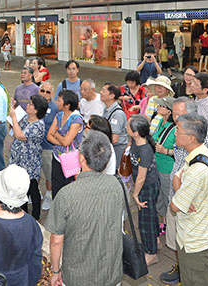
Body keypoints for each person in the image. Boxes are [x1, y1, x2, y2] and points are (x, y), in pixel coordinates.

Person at [160, 98, 208, 285]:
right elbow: (177, 176)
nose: (175, 130)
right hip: (201, 233)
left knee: (196, 278)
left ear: (191, 137)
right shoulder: (198, 153)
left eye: (179, 130)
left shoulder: (197, 169)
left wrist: (182, 196)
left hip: (195, 240)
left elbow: (175, 206)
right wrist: (183, 194)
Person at [46, 131, 124, 286]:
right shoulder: (118, 186)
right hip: (111, 273)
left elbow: (56, 241)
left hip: (77, 276)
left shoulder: (66, 195)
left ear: (81, 157)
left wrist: (55, 271)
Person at [127, 114, 161, 266]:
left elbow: (141, 177)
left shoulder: (145, 150)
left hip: (147, 186)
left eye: (128, 126)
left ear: (136, 132)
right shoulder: (136, 141)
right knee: (150, 215)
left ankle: (151, 253)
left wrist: (135, 194)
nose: (126, 127)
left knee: (145, 220)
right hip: (144, 185)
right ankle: (156, 241)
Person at [9, 95, 48, 220]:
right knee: (21, 187)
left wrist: (14, 117)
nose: (28, 105)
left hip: (30, 162)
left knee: (32, 188)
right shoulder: (27, 118)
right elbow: (15, 128)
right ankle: (23, 211)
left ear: (36, 110)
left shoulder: (38, 125)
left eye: (31, 104)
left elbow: (20, 135)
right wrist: (13, 110)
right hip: (19, 158)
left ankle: (36, 216)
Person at [47, 90, 85, 198]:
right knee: (56, 186)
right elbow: (49, 136)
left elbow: (66, 142)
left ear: (67, 105)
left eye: (59, 100)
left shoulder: (76, 120)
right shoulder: (59, 115)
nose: (57, 102)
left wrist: (56, 134)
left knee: (68, 188)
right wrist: (60, 140)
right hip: (57, 157)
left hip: (70, 160)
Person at [150, 95, 176, 238]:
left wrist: (165, 151)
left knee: (167, 195)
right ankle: (164, 221)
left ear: (169, 111)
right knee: (159, 196)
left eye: (161, 106)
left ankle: (169, 225)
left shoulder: (175, 129)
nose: (158, 107)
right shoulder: (160, 121)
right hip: (158, 165)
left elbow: (181, 151)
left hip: (167, 168)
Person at [37, 82, 59, 210]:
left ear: (52, 93)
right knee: (34, 172)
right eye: (42, 91)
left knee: (48, 174)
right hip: (34, 146)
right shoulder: (34, 104)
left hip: (47, 147)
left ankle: (49, 195)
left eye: (48, 92)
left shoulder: (55, 108)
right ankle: (36, 193)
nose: (45, 94)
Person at [101, 83, 129, 163]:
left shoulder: (117, 114)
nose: (100, 92)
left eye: (103, 91)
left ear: (111, 96)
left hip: (117, 150)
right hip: (109, 147)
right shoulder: (106, 109)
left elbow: (114, 139)